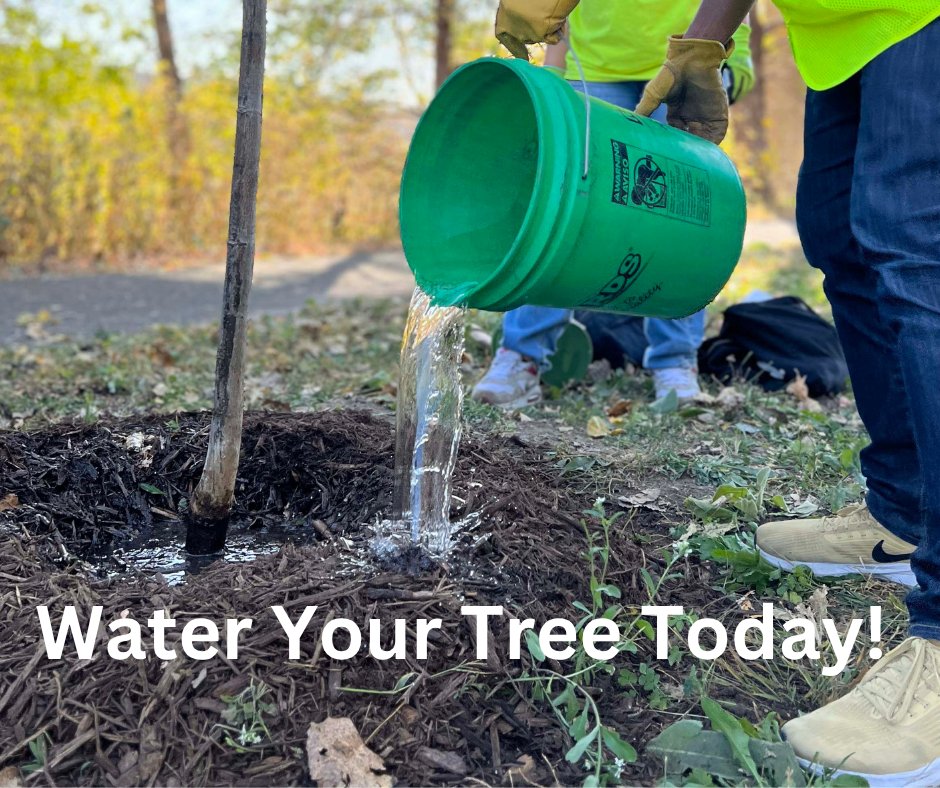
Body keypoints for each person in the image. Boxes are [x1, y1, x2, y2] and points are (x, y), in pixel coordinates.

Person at [495, 0, 940, 784]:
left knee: (911, 250)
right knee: (842, 238)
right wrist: (705, 39)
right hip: (843, 28)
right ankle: (902, 509)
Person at [471, 2, 754, 409]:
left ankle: (674, 362)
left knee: (679, 216)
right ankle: (522, 356)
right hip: (595, 67)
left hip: (690, 52)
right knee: (563, 210)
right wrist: (555, 65)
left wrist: (733, 51)